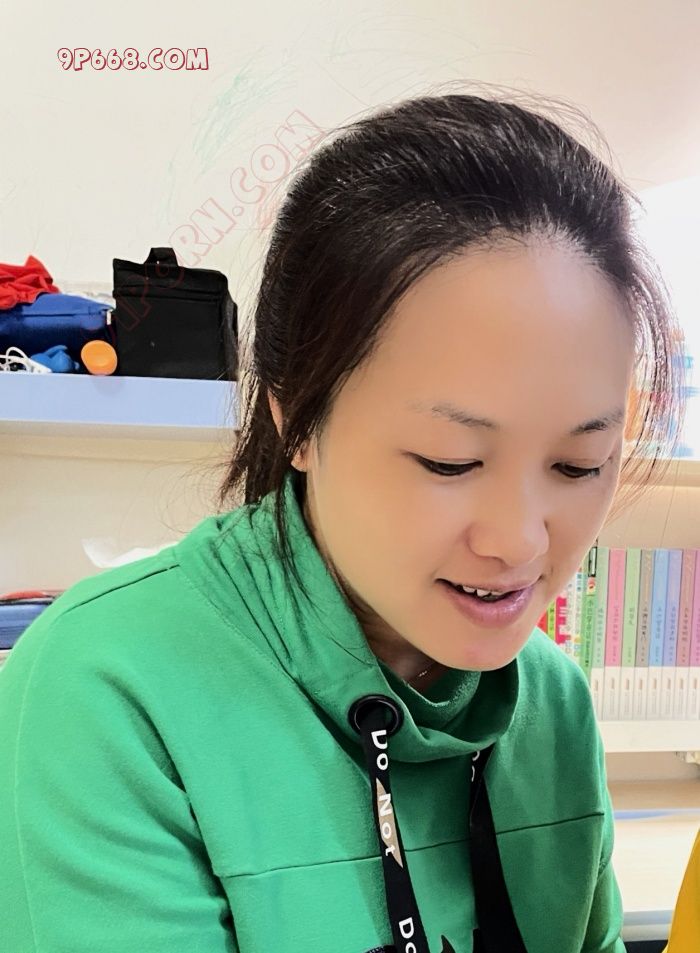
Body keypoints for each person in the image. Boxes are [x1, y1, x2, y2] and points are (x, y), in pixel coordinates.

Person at [0, 85, 686, 953]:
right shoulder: (104, 691)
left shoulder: (549, 701)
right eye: (449, 460)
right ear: (296, 417)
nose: (519, 541)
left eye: (579, 464)